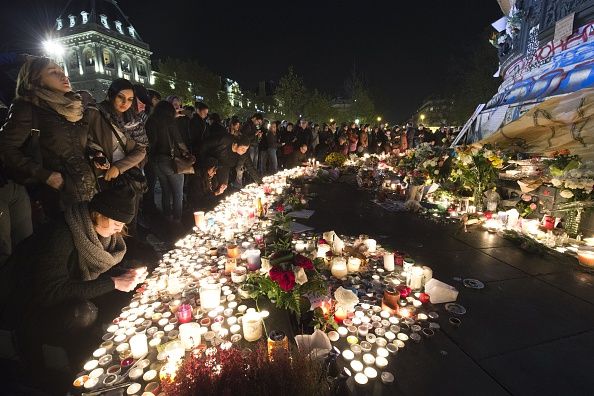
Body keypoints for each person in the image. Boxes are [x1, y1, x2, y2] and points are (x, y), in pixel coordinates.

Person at [0, 185, 147, 374]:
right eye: (116, 221)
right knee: (84, 313)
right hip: (27, 305)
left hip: (62, 292)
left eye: (123, 223)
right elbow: (50, 292)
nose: (120, 228)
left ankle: (102, 338)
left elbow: (96, 275)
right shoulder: (60, 235)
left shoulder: (103, 235)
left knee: (127, 285)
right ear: (98, 213)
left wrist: (127, 274)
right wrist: (114, 282)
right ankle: (74, 366)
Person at [0, 56, 96, 217]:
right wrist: (45, 175)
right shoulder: (27, 107)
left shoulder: (72, 107)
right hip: (56, 197)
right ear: (36, 80)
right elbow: (5, 147)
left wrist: (95, 154)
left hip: (87, 190)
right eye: (53, 72)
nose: (63, 76)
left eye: (62, 71)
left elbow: (83, 142)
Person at [86, 78, 146, 220]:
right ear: (112, 94)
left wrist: (119, 167)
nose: (125, 103)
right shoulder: (95, 113)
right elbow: (87, 141)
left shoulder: (134, 119)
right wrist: (96, 154)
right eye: (121, 97)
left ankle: (134, 240)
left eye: (130, 99)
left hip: (129, 173)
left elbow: (141, 149)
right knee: (111, 217)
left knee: (131, 214)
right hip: (104, 176)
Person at [145, 100, 192, 223]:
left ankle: (167, 218)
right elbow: (179, 141)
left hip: (155, 161)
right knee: (177, 193)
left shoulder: (150, 120)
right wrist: (187, 154)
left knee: (165, 190)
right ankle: (177, 220)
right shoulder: (170, 122)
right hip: (170, 161)